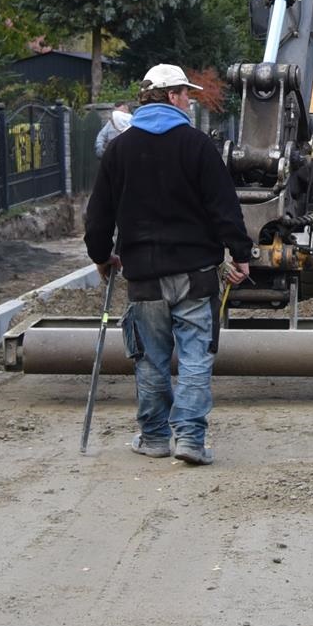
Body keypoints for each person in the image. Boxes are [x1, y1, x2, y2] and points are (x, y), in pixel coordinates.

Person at [83, 64, 253, 464]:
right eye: (186, 95)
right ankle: (191, 439)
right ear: (173, 96)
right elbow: (224, 207)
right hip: (195, 274)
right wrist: (240, 254)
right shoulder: (197, 146)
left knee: (151, 359)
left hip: (144, 275)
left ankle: (156, 437)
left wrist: (101, 256)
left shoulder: (119, 150)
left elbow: (98, 215)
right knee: (195, 357)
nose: (190, 102)